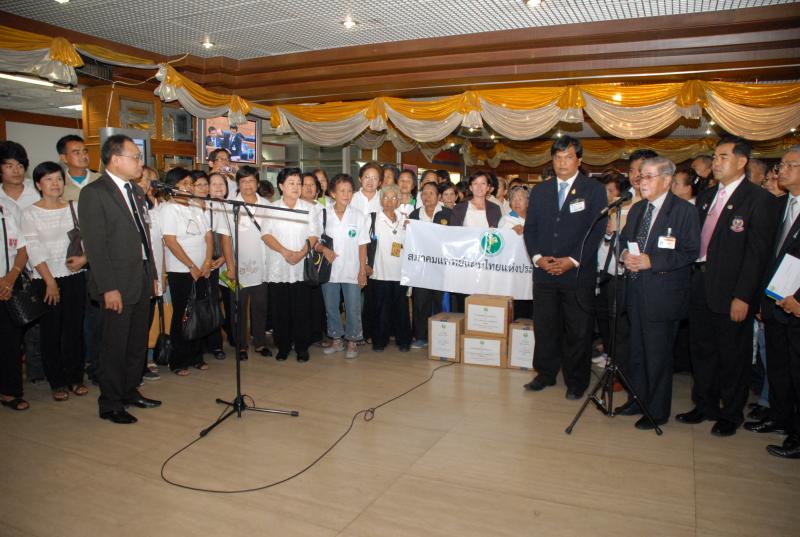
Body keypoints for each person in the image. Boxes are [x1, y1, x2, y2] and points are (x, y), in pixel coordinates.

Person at [677, 136, 779, 437]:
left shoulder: (758, 199)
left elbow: (757, 255)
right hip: (700, 283)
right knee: (702, 350)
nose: (716, 162)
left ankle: (730, 412)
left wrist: (743, 296)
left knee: (732, 355)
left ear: (742, 161)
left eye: (723, 157)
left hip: (732, 290)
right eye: (715, 157)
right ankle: (704, 404)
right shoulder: (707, 196)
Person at [78, 134, 161, 424]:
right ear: (115, 159)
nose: (140, 162)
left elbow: (144, 237)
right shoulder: (94, 193)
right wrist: (108, 287)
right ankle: (110, 402)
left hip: (141, 277)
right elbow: (95, 246)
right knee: (115, 345)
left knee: (137, 342)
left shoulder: (136, 191)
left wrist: (152, 274)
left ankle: (129, 390)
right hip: (116, 282)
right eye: (135, 157)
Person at [617, 157, 700, 429]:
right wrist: (625, 255)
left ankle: (656, 410)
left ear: (666, 180)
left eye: (649, 176)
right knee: (637, 353)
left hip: (663, 295)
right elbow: (624, 241)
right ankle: (637, 399)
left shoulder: (683, 211)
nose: (642, 182)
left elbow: (690, 252)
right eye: (641, 177)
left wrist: (652, 261)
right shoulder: (638, 209)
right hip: (635, 290)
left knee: (657, 356)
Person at [522, 135, 608, 399]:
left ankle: (576, 381)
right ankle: (545, 373)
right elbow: (530, 229)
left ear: (579, 160)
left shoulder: (593, 190)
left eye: (568, 157)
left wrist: (572, 260)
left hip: (577, 274)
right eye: (558, 158)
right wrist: (538, 258)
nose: (562, 163)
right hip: (544, 272)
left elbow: (596, 231)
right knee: (545, 327)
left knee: (577, 330)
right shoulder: (541, 190)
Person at [21, 162, 89, 402]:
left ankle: (75, 377)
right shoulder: (29, 213)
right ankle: (57, 381)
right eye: (49, 179)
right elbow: (33, 248)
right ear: (38, 184)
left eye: (59, 179)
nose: (55, 184)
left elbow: (91, 238)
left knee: (74, 329)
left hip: (74, 275)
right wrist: (50, 281)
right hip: (45, 279)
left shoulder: (74, 207)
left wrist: (84, 259)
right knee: (51, 331)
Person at [748, 146, 800, 458]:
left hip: (797, 304)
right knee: (779, 368)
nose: (782, 171)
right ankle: (782, 421)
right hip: (775, 301)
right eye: (782, 165)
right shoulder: (779, 205)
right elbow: (766, 255)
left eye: (791, 165)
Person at [159, 167, 214, 375]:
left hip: (202, 269)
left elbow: (208, 236)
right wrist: (191, 266)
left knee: (198, 313)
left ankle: (196, 356)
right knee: (183, 314)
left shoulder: (195, 207)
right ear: (172, 186)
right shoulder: (168, 209)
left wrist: (207, 262)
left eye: (191, 183)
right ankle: (179, 360)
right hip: (181, 270)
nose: (189, 187)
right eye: (184, 184)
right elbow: (170, 241)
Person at [263, 167, 321, 362]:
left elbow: (314, 234)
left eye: (298, 183)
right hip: (278, 265)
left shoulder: (308, 208)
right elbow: (266, 235)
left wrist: (301, 253)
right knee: (280, 310)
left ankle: (302, 347)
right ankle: (283, 346)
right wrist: (285, 252)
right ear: (281, 186)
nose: (296, 187)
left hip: (300, 266)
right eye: (291, 183)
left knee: (301, 309)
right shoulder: (271, 208)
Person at [1, 141, 45, 384]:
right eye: (9, 165)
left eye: (20, 165)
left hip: (36, 266)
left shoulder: (36, 191)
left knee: (34, 321)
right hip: (8, 268)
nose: (16, 170)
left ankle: (37, 372)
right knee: (9, 329)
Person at [217, 166, 272, 360]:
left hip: (262, 265)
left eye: (251, 181)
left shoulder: (267, 204)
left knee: (260, 306)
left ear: (257, 182)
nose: (248, 185)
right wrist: (230, 266)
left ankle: (260, 343)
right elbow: (225, 238)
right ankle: (241, 345)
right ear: (238, 184)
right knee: (238, 307)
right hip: (238, 267)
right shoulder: (230, 205)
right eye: (243, 181)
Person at [316, 173, 370, 359]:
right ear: (333, 193)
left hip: (352, 269)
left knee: (353, 307)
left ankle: (353, 340)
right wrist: (324, 249)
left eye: (349, 191)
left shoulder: (358, 216)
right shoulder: (323, 214)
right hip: (329, 270)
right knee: (331, 307)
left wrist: (362, 271)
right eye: (342, 191)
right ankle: (336, 339)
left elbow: (362, 245)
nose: (346, 195)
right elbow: (314, 241)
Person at [409, 181, 452, 347]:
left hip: (442, 267)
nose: (427, 196)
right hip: (421, 267)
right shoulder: (414, 215)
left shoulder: (448, 214)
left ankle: (442, 338)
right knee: (420, 301)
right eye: (424, 193)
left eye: (431, 193)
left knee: (440, 302)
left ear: (439, 196)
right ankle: (421, 337)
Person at [370, 184, 411, 353]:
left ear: (398, 201)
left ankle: (404, 340)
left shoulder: (404, 220)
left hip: (400, 271)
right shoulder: (373, 219)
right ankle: (380, 340)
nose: (389, 201)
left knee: (401, 308)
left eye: (394, 197)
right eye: (385, 197)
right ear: (381, 200)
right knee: (381, 308)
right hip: (380, 271)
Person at [190, 171, 226, 361]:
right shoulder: (186, 207)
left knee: (212, 302)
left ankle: (215, 344)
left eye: (206, 184)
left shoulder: (215, 206)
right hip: (193, 264)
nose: (203, 188)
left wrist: (222, 258)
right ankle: (197, 346)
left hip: (212, 262)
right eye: (199, 185)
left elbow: (222, 236)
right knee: (195, 304)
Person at [0, 198, 29, 411]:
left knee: (10, 339)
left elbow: (23, 246)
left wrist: (11, 277)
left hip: (10, 282)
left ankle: (9, 390)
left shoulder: (8, 207)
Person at [351, 162, 382, 344]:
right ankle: (354, 331)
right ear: (360, 179)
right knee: (354, 294)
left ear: (380, 182)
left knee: (373, 294)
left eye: (375, 178)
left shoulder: (383, 199)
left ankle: (369, 331)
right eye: (367, 177)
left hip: (376, 250)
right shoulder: (351, 198)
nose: (370, 181)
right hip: (352, 249)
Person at [500, 185, 533, 319]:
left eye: (520, 198)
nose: (517, 202)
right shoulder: (506, 219)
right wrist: (511, 233)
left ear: (528, 202)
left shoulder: (535, 218)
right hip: (514, 271)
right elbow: (501, 242)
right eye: (513, 198)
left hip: (531, 270)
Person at [57, 135, 99, 202]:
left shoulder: (101, 179)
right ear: (64, 158)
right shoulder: (58, 183)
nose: (84, 156)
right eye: (77, 153)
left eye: (85, 151)